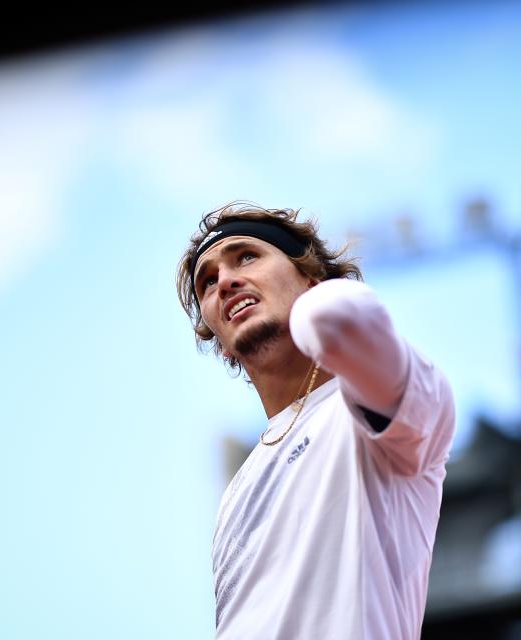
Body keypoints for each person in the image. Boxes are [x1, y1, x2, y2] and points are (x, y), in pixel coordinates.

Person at [176, 202, 456, 639]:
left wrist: (318, 305)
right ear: (222, 346)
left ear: (310, 280)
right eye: (207, 281)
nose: (225, 281)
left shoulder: (373, 412)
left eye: (246, 256)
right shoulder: (235, 492)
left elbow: (346, 322)